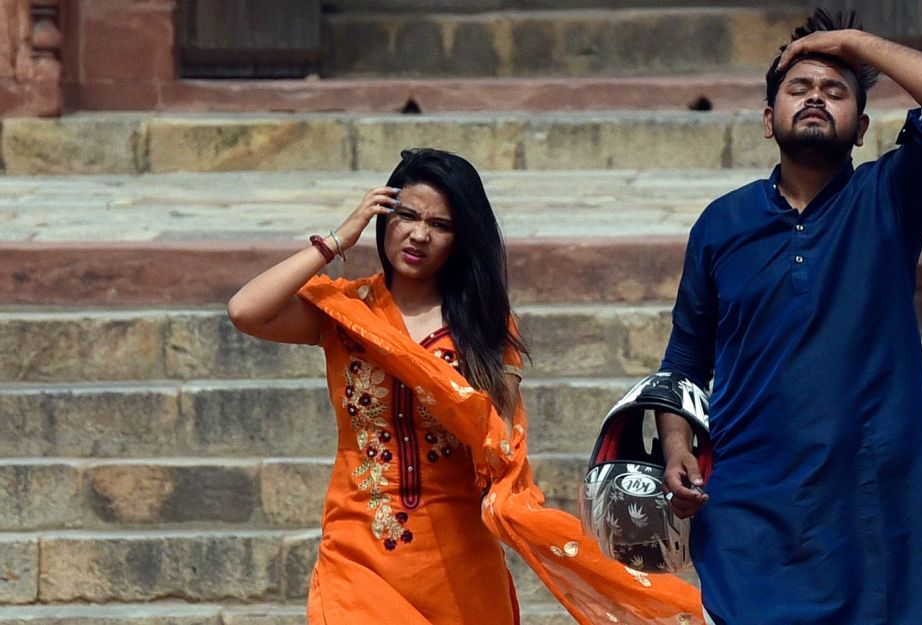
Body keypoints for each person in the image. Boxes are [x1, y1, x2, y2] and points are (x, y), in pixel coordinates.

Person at [228, 148, 704, 624]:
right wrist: (336, 239)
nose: (419, 234)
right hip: (356, 555)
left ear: (461, 238)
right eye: (406, 216)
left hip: (457, 566)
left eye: (441, 225)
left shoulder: (484, 331)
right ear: (381, 217)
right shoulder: (347, 313)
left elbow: (502, 450)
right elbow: (246, 311)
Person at [655, 9, 922, 625]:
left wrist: (850, 44)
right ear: (766, 120)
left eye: (835, 93)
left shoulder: (890, 197)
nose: (815, 99)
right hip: (754, 501)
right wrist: (677, 443)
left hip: (881, 496)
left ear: (862, 130)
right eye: (798, 88)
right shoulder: (722, 224)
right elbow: (684, 362)